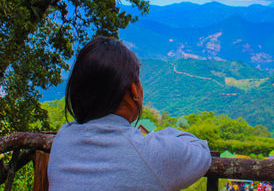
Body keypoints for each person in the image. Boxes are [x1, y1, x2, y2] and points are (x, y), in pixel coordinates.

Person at [47, 37, 211, 190]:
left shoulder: (63, 138)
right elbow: (201, 151)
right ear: (134, 89)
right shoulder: (150, 154)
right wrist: (160, 136)